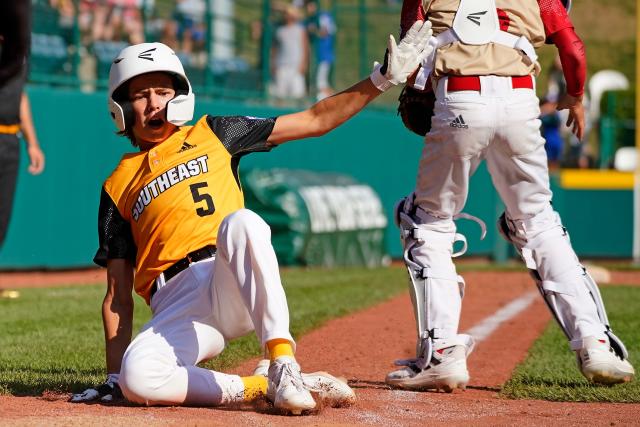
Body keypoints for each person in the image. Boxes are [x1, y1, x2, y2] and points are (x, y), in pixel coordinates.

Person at [70, 21, 435, 413]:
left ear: (181, 95)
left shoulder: (216, 131)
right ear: (121, 108)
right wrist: (112, 378)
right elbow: (116, 297)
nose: (155, 103)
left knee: (242, 222)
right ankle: (261, 386)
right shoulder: (117, 184)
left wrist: (381, 79)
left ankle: (284, 363)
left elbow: (314, 119)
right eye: (141, 95)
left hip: (226, 275)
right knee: (137, 378)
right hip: (175, 303)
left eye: (163, 91)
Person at [387, 0, 635, 392]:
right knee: (537, 222)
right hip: (521, 99)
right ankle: (596, 343)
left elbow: (410, 50)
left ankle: (441, 354)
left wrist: (418, 85)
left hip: (460, 97)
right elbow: (572, 47)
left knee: (428, 221)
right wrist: (575, 95)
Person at [0, 1, 46, 250]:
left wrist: (33, 144)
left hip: (10, 139)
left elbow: (21, 97)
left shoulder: (17, 56)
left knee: (2, 218)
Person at [271, 5, 309, 102]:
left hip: (295, 67)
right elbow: (274, 49)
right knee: (280, 96)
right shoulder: (279, 30)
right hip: (282, 66)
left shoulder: (300, 30)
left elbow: (305, 48)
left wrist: (303, 64)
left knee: (297, 96)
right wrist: (273, 64)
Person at [305, 1, 337, 101]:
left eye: (309, 6)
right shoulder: (312, 18)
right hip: (319, 56)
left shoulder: (322, 16)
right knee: (320, 83)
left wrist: (313, 30)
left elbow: (325, 31)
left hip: (325, 55)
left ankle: (337, 101)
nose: (308, 9)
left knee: (321, 83)